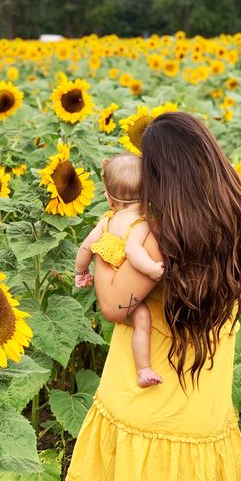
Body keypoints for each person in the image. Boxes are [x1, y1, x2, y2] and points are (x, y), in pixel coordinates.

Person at [65, 111, 241, 481]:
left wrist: (108, 236)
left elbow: (111, 305)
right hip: (204, 395)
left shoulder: (159, 235)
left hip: (145, 394)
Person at [74, 153, 164, 387]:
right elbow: (134, 253)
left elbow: (86, 247)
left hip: (106, 281)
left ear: (109, 199)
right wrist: (152, 269)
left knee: (136, 318)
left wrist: (81, 273)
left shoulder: (106, 221)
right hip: (122, 288)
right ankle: (143, 369)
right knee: (143, 318)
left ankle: (141, 368)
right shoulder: (140, 223)